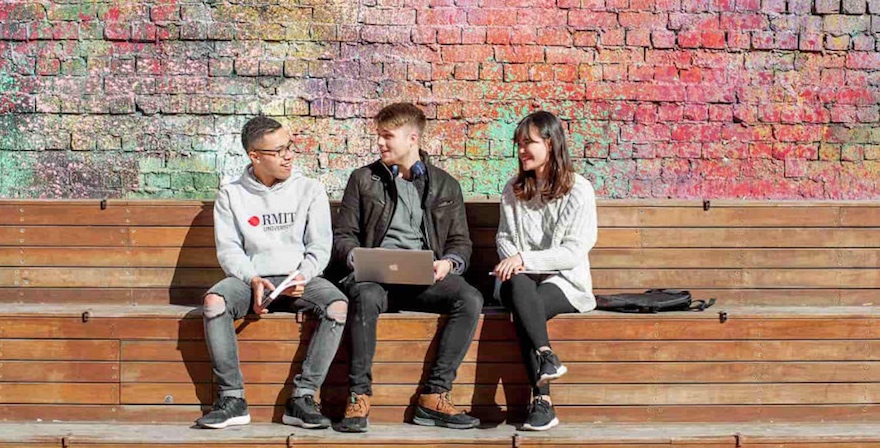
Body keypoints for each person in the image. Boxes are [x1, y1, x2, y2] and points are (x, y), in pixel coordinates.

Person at [333, 103, 483, 432]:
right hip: (375, 279)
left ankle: (434, 396)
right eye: (379, 137)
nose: (380, 144)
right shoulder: (363, 180)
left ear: (412, 137)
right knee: (365, 295)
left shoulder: (446, 185)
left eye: (388, 137)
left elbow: (461, 243)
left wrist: (449, 263)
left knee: (469, 298)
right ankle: (359, 396)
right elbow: (344, 235)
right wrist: (357, 258)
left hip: (423, 279)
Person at [196, 116, 348, 430]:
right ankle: (232, 398)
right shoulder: (231, 194)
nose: (288, 155)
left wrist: (301, 275)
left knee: (338, 306)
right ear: (255, 156)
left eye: (289, 146)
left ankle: (303, 397)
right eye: (278, 151)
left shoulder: (309, 189)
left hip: (300, 279)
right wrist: (252, 278)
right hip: (250, 280)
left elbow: (320, 247)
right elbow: (229, 250)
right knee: (213, 303)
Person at [493, 111, 598, 431]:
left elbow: (573, 253)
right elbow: (504, 237)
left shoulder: (579, 190)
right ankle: (546, 355)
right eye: (519, 144)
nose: (522, 150)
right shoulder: (513, 189)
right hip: (521, 280)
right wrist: (518, 262)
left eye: (529, 143)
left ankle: (543, 401)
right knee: (518, 289)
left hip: (564, 281)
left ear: (551, 144)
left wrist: (523, 260)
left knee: (528, 305)